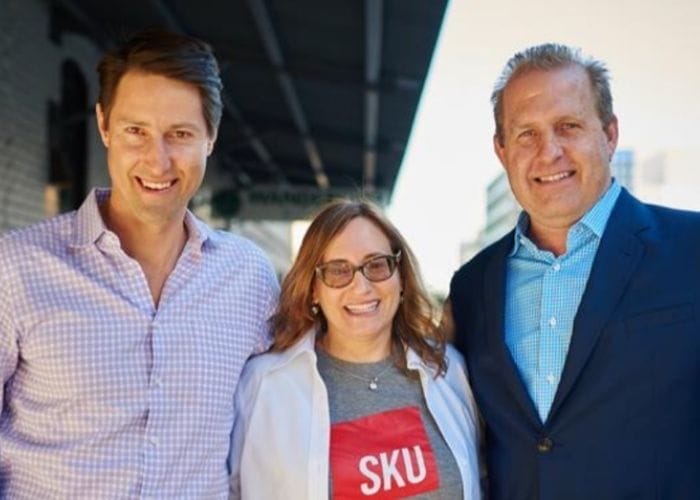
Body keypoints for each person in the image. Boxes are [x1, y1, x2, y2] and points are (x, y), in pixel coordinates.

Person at [0, 29, 278, 498]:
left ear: (210, 137)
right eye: (136, 131)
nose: (157, 160)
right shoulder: (16, 268)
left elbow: (294, 403)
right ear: (104, 125)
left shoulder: (249, 277)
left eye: (180, 134)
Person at [448, 42, 700, 499]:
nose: (549, 151)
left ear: (609, 134)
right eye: (526, 134)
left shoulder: (691, 249)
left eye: (568, 126)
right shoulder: (470, 288)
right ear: (502, 151)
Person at [229, 200, 481, 499]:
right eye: (338, 271)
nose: (361, 287)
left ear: (400, 277)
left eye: (377, 265)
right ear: (313, 289)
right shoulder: (262, 385)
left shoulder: (449, 369)